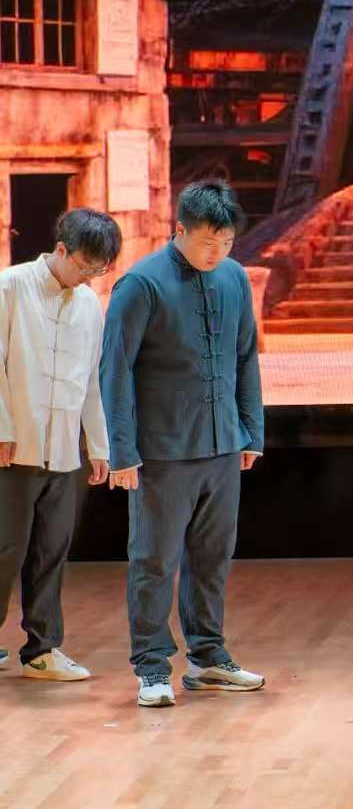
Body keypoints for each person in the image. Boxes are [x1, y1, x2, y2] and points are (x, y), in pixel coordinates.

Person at [101, 180, 266, 708]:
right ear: (180, 230)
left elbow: (245, 355)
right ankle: (152, 668)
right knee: (154, 560)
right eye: (207, 242)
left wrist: (251, 431)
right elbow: (115, 371)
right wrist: (122, 451)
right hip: (162, 451)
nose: (217, 253)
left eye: (226, 242)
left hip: (223, 446)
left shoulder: (234, 277)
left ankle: (208, 658)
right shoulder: (141, 284)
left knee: (213, 557)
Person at [0, 208, 120, 681]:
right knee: (5, 549)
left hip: (66, 450)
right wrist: (2, 429)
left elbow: (91, 380)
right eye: (85, 266)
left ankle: (43, 649)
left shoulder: (89, 305)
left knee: (52, 551)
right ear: (62, 250)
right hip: (14, 447)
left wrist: (100, 446)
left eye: (99, 270)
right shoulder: (11, 286)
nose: (89, 277)